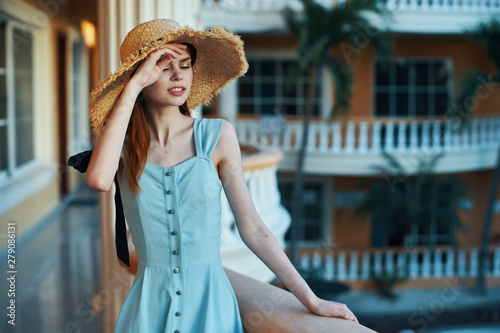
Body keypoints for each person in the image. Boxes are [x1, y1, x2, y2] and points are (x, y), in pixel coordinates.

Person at [69, 18, 358, 332]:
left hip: (211, 308)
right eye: (164, 66)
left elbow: (253, 228)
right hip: (148, 311)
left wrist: (311, 300)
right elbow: (97, 180)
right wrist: (134, 85)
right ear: (143, 73)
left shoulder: (217, 136)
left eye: (185, 64)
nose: (178, 75)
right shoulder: (124, 149)